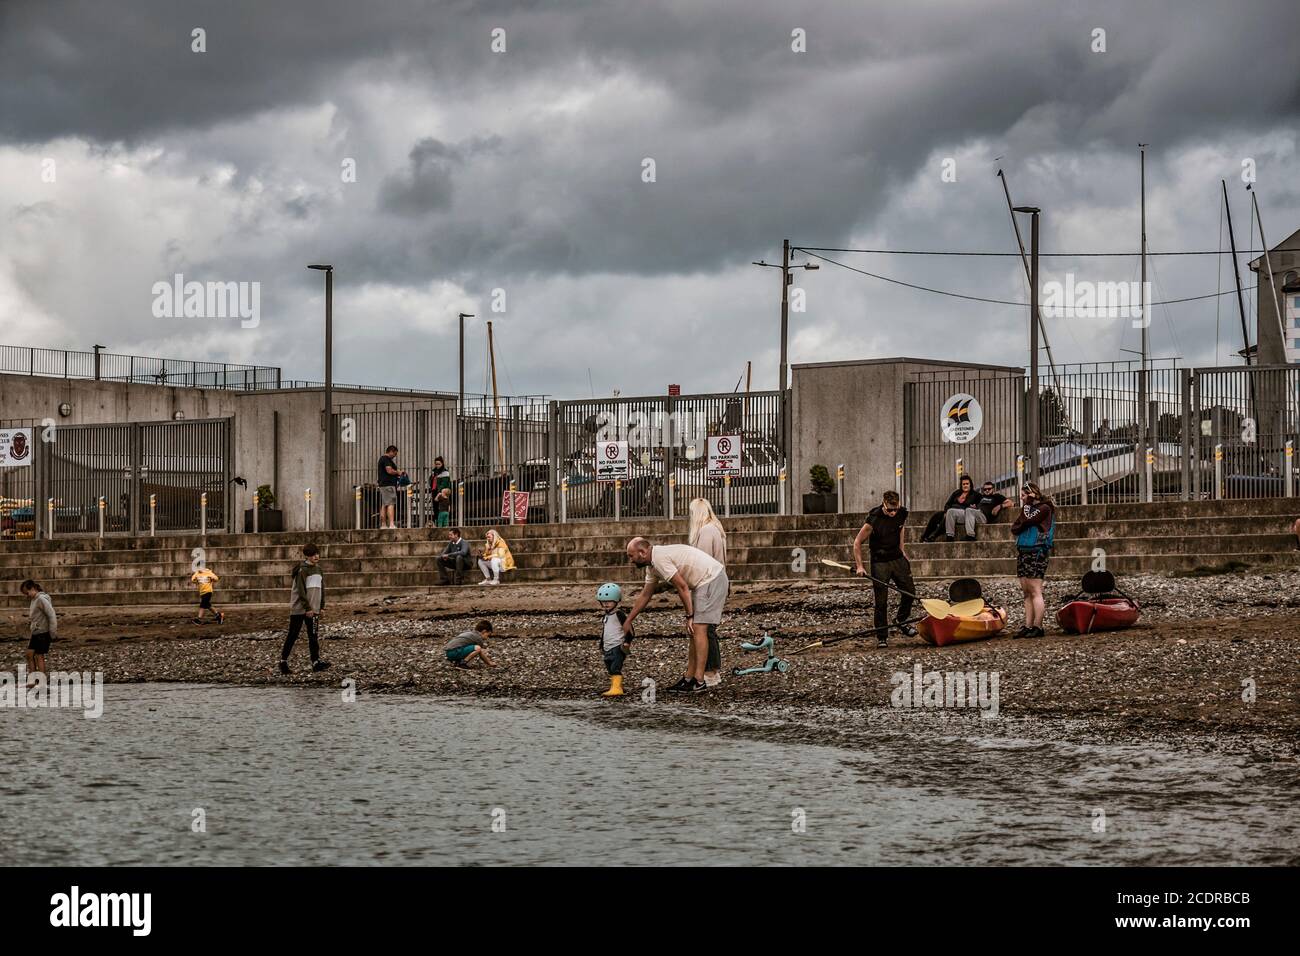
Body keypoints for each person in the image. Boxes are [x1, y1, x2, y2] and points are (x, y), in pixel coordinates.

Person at [623, 536, 728, 694]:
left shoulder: (659, 559)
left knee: (698, 628)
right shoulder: (652, 566)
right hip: (704, 581)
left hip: (711, 579)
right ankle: (688, 678)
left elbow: (683, 587)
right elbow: (645, 595)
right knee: (693, 631)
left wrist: (689, 616)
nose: (630, 560)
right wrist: (629, 620)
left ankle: (699, 681)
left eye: (631, 556)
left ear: (642, 552)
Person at [852, 490, 918, 647]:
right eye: (890, 510)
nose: (893, 513)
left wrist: (902, 550)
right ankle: (882, 636)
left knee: (910, 592)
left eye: (896, 509)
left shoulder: (902, 513)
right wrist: (860, 566)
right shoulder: (873, 519)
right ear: (884, 504)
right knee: (881, 601)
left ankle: (901, 621)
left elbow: (901, 528)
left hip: (896, 558)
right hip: (879, 562)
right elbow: (857, 543)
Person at [687, 497, 727, 687]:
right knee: (709, 628)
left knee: (704, 629)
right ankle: (711, 670)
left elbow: (701, 561)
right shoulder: (716, 529)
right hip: (718, 580)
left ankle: (711, 671)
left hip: (708, 582)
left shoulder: (705, 531)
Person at [1010, 481, 1056, 638]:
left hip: (1036, 551)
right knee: (1026, 592)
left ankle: (1038, 626)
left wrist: (1027, 508)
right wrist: (1024, 518)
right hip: (1023, 551)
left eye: (1024, 495)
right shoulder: (1028, 509)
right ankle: (1028, 625)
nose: (1022, 498)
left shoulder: (1044, 508)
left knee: (1035, 590)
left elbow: (1027, 520)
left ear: (1032, 494)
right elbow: (1015, 527)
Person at [280, 543, 331, 674]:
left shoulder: (319, 570)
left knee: (313, 636)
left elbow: (322, 589)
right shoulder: (302, 570)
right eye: (313, 555)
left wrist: (321, 606)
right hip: (299, 610)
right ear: (307, 556)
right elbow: (301, 591)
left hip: (313, 610)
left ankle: (316, 662)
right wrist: (307, 608)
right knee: (293, 635)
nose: (316, 556)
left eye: (317, 554)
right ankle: (283, 661)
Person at [596, 582, 633, 697]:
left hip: (618, 646)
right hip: (608, 646)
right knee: (609, 665)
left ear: (616, 601)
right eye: (603, 602)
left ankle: (617, 689)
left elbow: (630, 630)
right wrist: (601, 644)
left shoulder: (619, 614)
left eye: (609, 601)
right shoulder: (606, 616)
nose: (606, 604)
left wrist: (627, 641)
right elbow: (605, 631)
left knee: (615, 667)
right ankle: (617, 686)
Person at [21, 580, 55, 689]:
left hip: (43, 632)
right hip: (36, 632)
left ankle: (42, 683)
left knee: (39, 656)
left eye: (27, 593)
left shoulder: (41, 599)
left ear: (32, 589)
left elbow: (51, 615)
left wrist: (52, 633)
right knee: (29, 654)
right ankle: (32, 681)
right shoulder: (34, 599)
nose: (27, 596)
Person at [941, 475, 981, 541]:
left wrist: (976, 506)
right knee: (950, 511)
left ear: (970, 485)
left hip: (968, 516)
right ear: (961, 485)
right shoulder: (956, 493)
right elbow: (947, 504)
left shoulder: (976, 495)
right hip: (957, 515)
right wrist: (946, 512)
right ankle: (950, 536)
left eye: (967, 484)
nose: (965, 485)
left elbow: (981, 504)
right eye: (963, 484)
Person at [377, 444, 406, 530]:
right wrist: (398, 472)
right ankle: (392, 524)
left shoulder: (382, 459)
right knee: (390, 504)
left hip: (384, 485)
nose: (394, 456)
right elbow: (389, 470)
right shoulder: (386, 459)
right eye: (395, 454)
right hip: (388, 485)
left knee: (384, 504)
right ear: (391, 451)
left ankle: (383, 524)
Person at [430, 456, 453, 527]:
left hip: (441, 492)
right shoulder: (434, 471)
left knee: (442, 509)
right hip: (434, 491)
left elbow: (445, 483)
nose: (437, 465)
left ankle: (443, 524)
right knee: (435, 508)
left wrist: (440, 491)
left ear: (442, 464)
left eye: (439, 464)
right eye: (436, 464)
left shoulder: (445, 472)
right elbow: (430, 480)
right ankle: (437, 523)